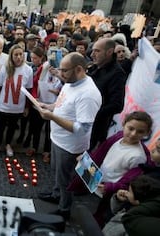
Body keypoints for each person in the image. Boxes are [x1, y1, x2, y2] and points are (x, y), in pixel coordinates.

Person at [37, 52, 102, 220]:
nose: (61, 73)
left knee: (66, 179)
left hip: (70, 146)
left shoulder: (88, 94)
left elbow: (82, 129)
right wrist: (48, 106)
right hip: (57, 139)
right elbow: (61, 105)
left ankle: (64, 209)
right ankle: (56, 194)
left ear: (79, 69)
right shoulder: (70, 82)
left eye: (64, 70)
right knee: (57, 172)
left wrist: (51, 117)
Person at [71, 111, 154, 227]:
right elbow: (101, 153)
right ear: (124, 124)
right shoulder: (118, 137)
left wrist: (110, 187)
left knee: (99, 217)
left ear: (147, 133)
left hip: (109, 192)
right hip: (97, 182)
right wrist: (87, 160)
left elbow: (130, 181)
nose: (133, 134)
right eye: (131, 128)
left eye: (140, 132)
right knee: (87, 211)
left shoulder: (138, 156)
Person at [0, 44, 33, 157]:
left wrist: (27, 107)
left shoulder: (28, 70)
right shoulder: (5, 68)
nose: (18, 57)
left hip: (18, 106)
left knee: (12, 127)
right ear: (11, 56)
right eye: (16, 55)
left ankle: (8, 144)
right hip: (3, 105)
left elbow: (29, 90)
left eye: (20, 54)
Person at [88, 38, 126, 150]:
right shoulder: (95, 67)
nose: (92, 54)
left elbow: (117, 105)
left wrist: (94, 112)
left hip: (95, 129)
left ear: (109, 52)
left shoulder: (117, 73)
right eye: (92, 50)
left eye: (97, 51)